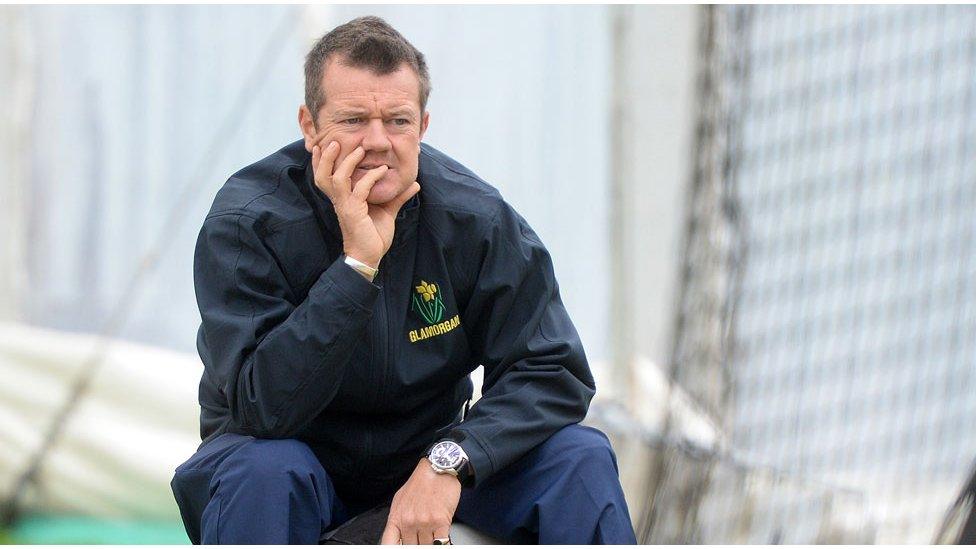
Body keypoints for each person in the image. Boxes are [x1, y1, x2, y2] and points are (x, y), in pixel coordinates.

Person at [170, 15, 637, 545]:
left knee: (580, 456)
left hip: (427, 460)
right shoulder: (247, 222)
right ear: (308, 126)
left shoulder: (474, 218)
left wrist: (450, 461)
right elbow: (263, 409)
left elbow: (553, 369)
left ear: (424, 126)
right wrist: (357, 266)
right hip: (291, 465)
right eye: (352, 121)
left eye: (398, 121)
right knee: (264, 469)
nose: (378, 142)